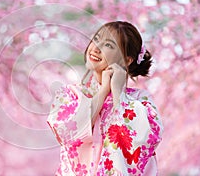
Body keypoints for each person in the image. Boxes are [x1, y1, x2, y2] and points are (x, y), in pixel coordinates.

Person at [47, 21, 163, 176]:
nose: (95, 48)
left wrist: (118, 94)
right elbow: (67, 133)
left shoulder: (141, 100)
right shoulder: (70, 94)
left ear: (127, 60)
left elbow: (145, 140)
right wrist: (103, 92)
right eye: (96, 39)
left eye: (108, 45)